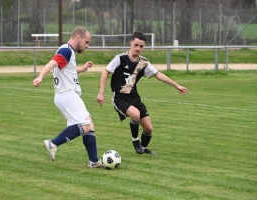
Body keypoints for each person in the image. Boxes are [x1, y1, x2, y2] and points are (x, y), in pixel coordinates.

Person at [96, 31, 189, 155]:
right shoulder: (120, 58)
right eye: (136, 45)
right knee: (135, 114)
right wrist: (101, 93)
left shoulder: (143, 62)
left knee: (148, 128)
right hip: (120, 97)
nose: (138, 48)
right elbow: (105, 72)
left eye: (141, 46)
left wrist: (176, 85)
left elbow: (158, 75)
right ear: (131, 43)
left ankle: (143, 148)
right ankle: (136, 141)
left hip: (134, 97)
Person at [33, 27, 103, 168]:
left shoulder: (67, 51)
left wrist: (81, 69)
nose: (87, 46)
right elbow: (52, 63)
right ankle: (53, 143)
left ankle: (94, 161)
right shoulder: (66, 50)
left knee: (89, 124)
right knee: (85, 125)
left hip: (65, 95)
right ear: (78, 38)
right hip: (67, 95)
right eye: (87, 42)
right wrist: (40, 77)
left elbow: (65, 69)